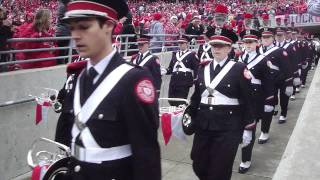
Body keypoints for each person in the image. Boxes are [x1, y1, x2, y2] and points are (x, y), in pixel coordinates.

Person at [62, 0, 161, 179]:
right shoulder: (77, 76)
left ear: (108, 25)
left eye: (84, 27)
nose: (75, 35)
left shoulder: (134, 79)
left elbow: (146, 154)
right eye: (72, 27)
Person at [188, 28, 255, 180]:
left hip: (228, 127)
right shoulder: (202, 67)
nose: (216, 49)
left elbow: (248, 100)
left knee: (221, 169)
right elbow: (196, 97)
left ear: (229, 48)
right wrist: (188, 116)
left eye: (221, 46)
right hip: (204, 124)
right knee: (198, 163)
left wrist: (248, 128)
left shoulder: (238, 68)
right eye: (214, 46)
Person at [237, 29, 275, 173]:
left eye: (251, 42)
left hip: (255, 98)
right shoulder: (238, 59)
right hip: (239, 98)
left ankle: (246, 159)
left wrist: (269, 101)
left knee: (249, 129)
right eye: (246, 42)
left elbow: (269, 82)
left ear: (257, 43)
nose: (248, 44)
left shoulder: (263, 59)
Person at [257, 27, 293, 144]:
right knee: (267, 106)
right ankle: (264, 130)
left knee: (283, 97)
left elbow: (287, 68)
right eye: (264, 37)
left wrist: (289, 83)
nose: (265, 39)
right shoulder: (257, 50)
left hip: (279, 79)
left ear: (273, 38)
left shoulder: (279, 51)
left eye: (268, 37)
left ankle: (283, 113)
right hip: (265, 83)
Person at [165, 35, 199, 106]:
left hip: (184, 80)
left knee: (181, 101)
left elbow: (196, 68)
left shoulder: (192, 55)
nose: (180, 45)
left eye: (182, 43)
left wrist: (196, 79)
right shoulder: (175, 54)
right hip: (174, 80)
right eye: (179, 43)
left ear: (187, 44)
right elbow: (171, 68)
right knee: (171, 100)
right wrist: (165, 71)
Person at [0, 6, 13, 72]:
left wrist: (10, 27)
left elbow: (10, 34)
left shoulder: (5, 23)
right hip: (2, 47)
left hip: (3, 48)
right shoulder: (4, 24)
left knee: (3, 68)